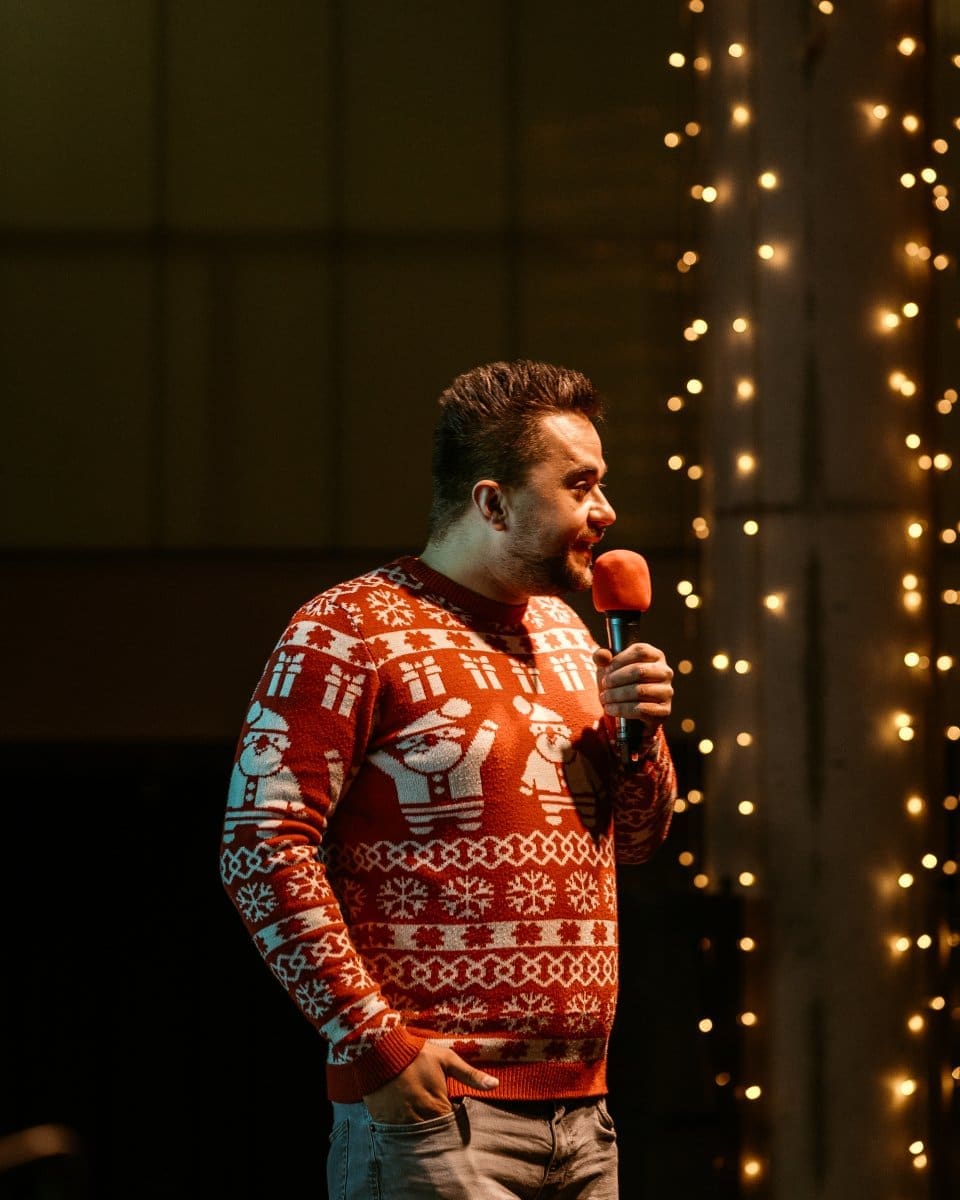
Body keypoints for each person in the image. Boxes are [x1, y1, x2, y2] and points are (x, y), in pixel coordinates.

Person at [220, 359, 677, 1199]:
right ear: (493, 503)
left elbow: (640, 841)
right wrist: (377, 1045)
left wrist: (639, 737)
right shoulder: (346, 629)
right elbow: (259, 849)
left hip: (586, 1119)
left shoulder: (573, 636)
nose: (606, 511)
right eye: (580, 485)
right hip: (437, 1119)